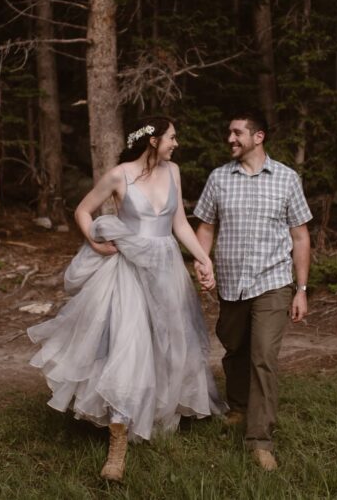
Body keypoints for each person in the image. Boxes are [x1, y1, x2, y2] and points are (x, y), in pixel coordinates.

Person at [27, 116, 224, 483]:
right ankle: (117, 443)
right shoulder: (119, 175)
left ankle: (157, 414)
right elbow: (82, 211)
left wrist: (202, 257)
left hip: (165, 268)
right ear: (152, 141)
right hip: (127, 270)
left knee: (167, 343)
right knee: (128, 346)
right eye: (171, 137)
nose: (175, 143)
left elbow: (179, 223)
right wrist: (95, 242)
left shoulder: (174, 172)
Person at [193, 109, 312, 472]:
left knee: (263, 356)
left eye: (237, 133)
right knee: (235, 347)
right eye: (229, 132)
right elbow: (206, 226)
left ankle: (260, 439)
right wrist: (203, 262)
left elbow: (300, 235)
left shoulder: (287, 179)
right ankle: (240, 406)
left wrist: (301, 288)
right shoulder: (218, 179)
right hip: (230, 283)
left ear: (258, 137)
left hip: (273, 282)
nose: (230, 138)